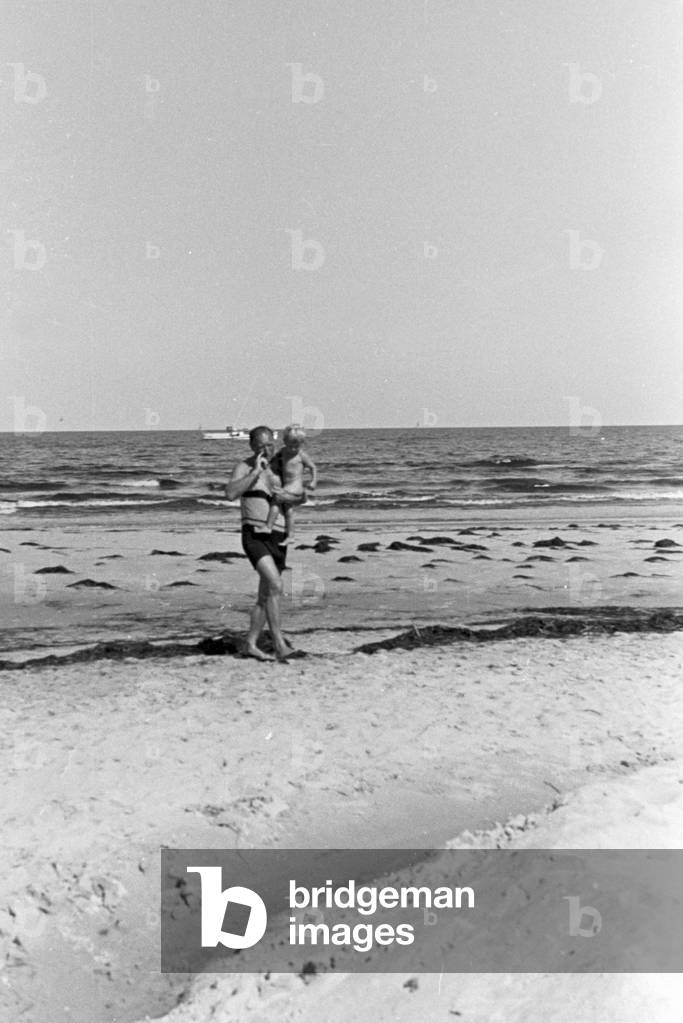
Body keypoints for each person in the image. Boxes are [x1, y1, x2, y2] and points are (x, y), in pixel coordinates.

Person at [224, 425, 304, 661]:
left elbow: (299, 497)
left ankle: (250, 644)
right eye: (260, 446)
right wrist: (255, 473)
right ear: (252, 446)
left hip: (278, 536)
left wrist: (289, 496)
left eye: (269, 445)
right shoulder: (244, 467)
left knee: (265, 595)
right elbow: (230, 494)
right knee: (276, 585)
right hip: (254, 535)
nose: (266, 450)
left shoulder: (281, 467)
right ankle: (279, 644)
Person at [255, 424, 317, 543]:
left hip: (295, 487)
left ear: (302, 444)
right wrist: (267, 463)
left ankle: (268, 527)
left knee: (276, 501)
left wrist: (313, 481)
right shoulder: (283, 451)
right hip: (288, 486)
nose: (293, 449)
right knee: (289, 512)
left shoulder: (301, 455)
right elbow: (274, 460)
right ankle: (290, 536)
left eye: (296, 446)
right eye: (290, 446)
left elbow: (313, 467)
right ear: (284, 442)